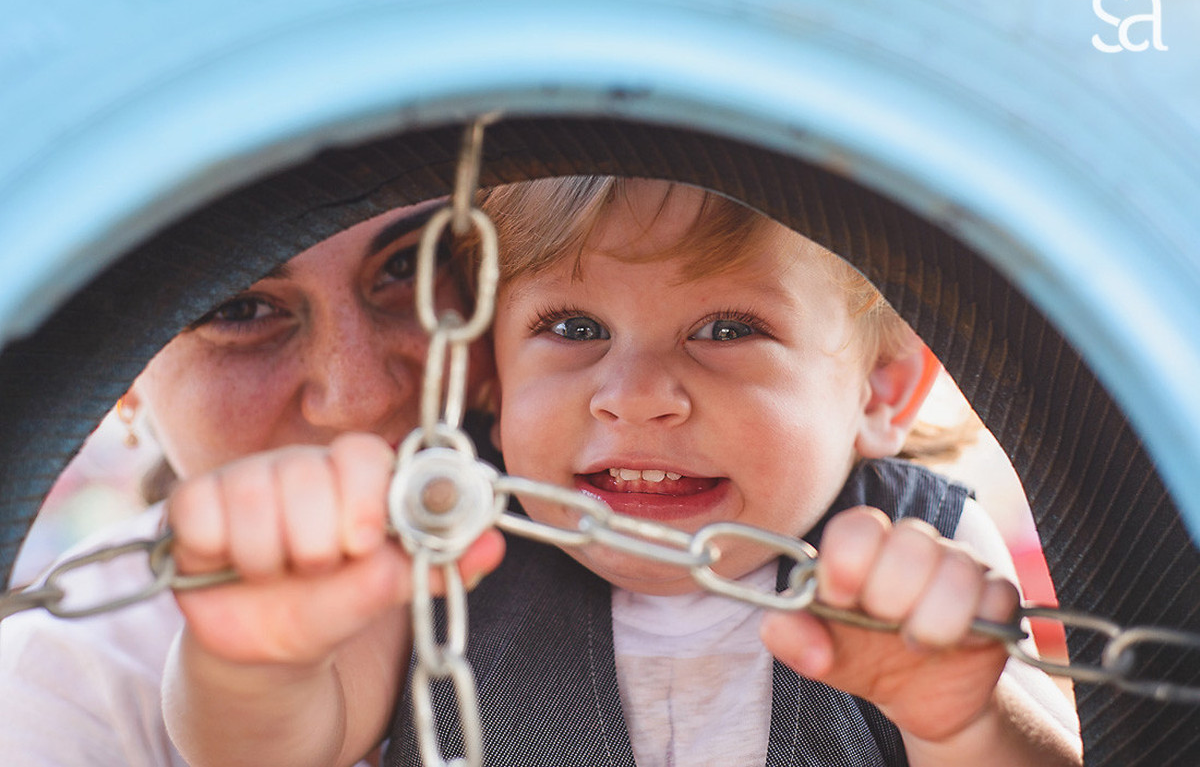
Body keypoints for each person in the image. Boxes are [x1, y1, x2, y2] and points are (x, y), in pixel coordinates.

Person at [161, 177, 1082, 766]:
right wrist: (251, 663)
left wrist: (960, 719)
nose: (635, 397)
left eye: (726, 329)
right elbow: (279, 746)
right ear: (488, 364)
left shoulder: (913, 545)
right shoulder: (451, 525)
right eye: (573, 327)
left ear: (881, 387)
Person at [0, 198, 497, 767]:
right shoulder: (54, 695)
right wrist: (250, 674)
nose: (359, 398)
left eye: (407, 264)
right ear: (120, 375)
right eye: (240, 309)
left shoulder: (592, 527)